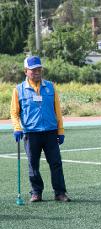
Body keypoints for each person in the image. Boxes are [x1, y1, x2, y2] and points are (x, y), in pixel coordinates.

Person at [10, 55, 70, 203]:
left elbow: (58, 111)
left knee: (56, 163)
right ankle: (36, 192)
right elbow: (14, 112)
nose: (37, 72)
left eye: (39, 69)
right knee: (33, 164)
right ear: (26, 71)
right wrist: (17, 128)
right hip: (31, 133)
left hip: (50, 132)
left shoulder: (50, 86)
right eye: (33, 70)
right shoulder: (18, 90)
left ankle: (60, 193)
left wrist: (60, 131)